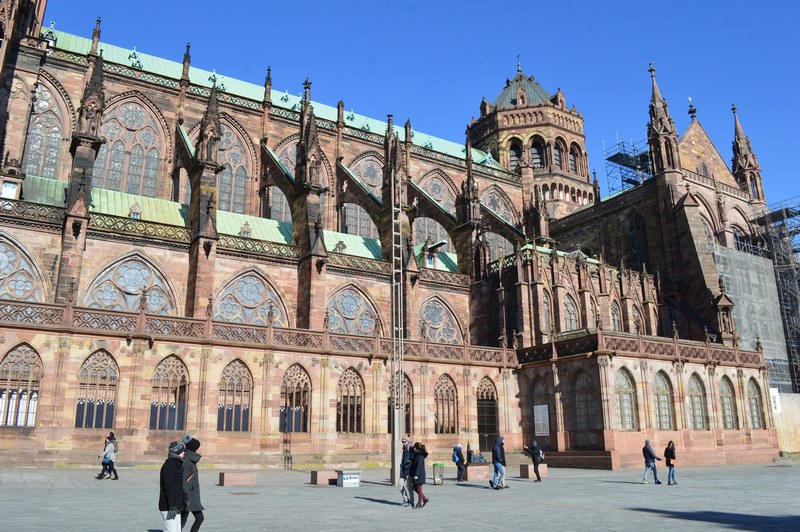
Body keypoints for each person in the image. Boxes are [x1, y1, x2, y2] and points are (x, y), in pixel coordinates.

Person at [159, 441, 186, 532]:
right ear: (178, 452)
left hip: (176, 505)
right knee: (171, 531)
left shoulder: (178, 464)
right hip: (168, 506)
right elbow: (168, 488)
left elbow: (178, 486)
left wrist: (185, 498)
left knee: (177, 530)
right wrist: (172, 506)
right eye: (182, 451)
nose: (184, 452)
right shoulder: (169, 465)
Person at [181, 437, 205, 532]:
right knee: (183, 522)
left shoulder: (191, 459)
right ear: (194, 449)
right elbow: (184, 482)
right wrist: (185, 499)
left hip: (192, 497)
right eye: (197, 448)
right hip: (188, 498)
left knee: (198, 519)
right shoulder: (187, 462)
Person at [411, 441, 429, 508]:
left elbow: (419, 467)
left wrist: (416, 475)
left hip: (419, 475)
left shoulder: (420, 456)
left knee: (419, 489)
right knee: (414, 487)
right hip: (418, 474)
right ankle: (424, 498)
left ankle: (419, 503)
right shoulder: (417, 455)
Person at [399, 436, 415, 507]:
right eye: (402, 442)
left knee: (409, 487)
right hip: (403, 471)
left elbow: (413, 460)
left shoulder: (411, 449)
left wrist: (408, 464)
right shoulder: (404, 449)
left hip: (408, 471)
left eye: (404, 442)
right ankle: (406, 499)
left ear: (407, 442)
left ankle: (411, 502)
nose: (403, 443)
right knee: (400, 485)